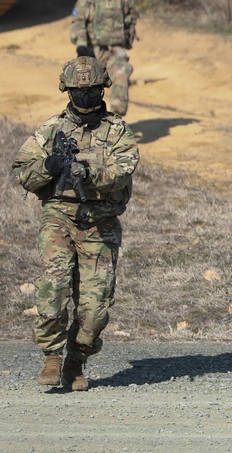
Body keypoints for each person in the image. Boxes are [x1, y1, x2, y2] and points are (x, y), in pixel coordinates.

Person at [12, 54, 140, 391]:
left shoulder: (118, 131)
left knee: (95, 309)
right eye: (78, 90)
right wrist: (49, 166)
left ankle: (75, 362)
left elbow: (122, 170)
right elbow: (23, 171)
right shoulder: (51, 128)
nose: (85, 95)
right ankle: (52, 358)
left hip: (101, 223)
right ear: (67, 90)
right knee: (53, 287)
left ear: (103, 90)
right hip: (59, 217)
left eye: (93, 89)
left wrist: (90, 172)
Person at [69, 0, 139, 117]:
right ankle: (86, 123)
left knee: (122, 73)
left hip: (115, 50)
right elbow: (77, 22)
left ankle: (115, 120)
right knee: (87, 91)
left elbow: (130, 19)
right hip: (92, 51)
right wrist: (81, 45)